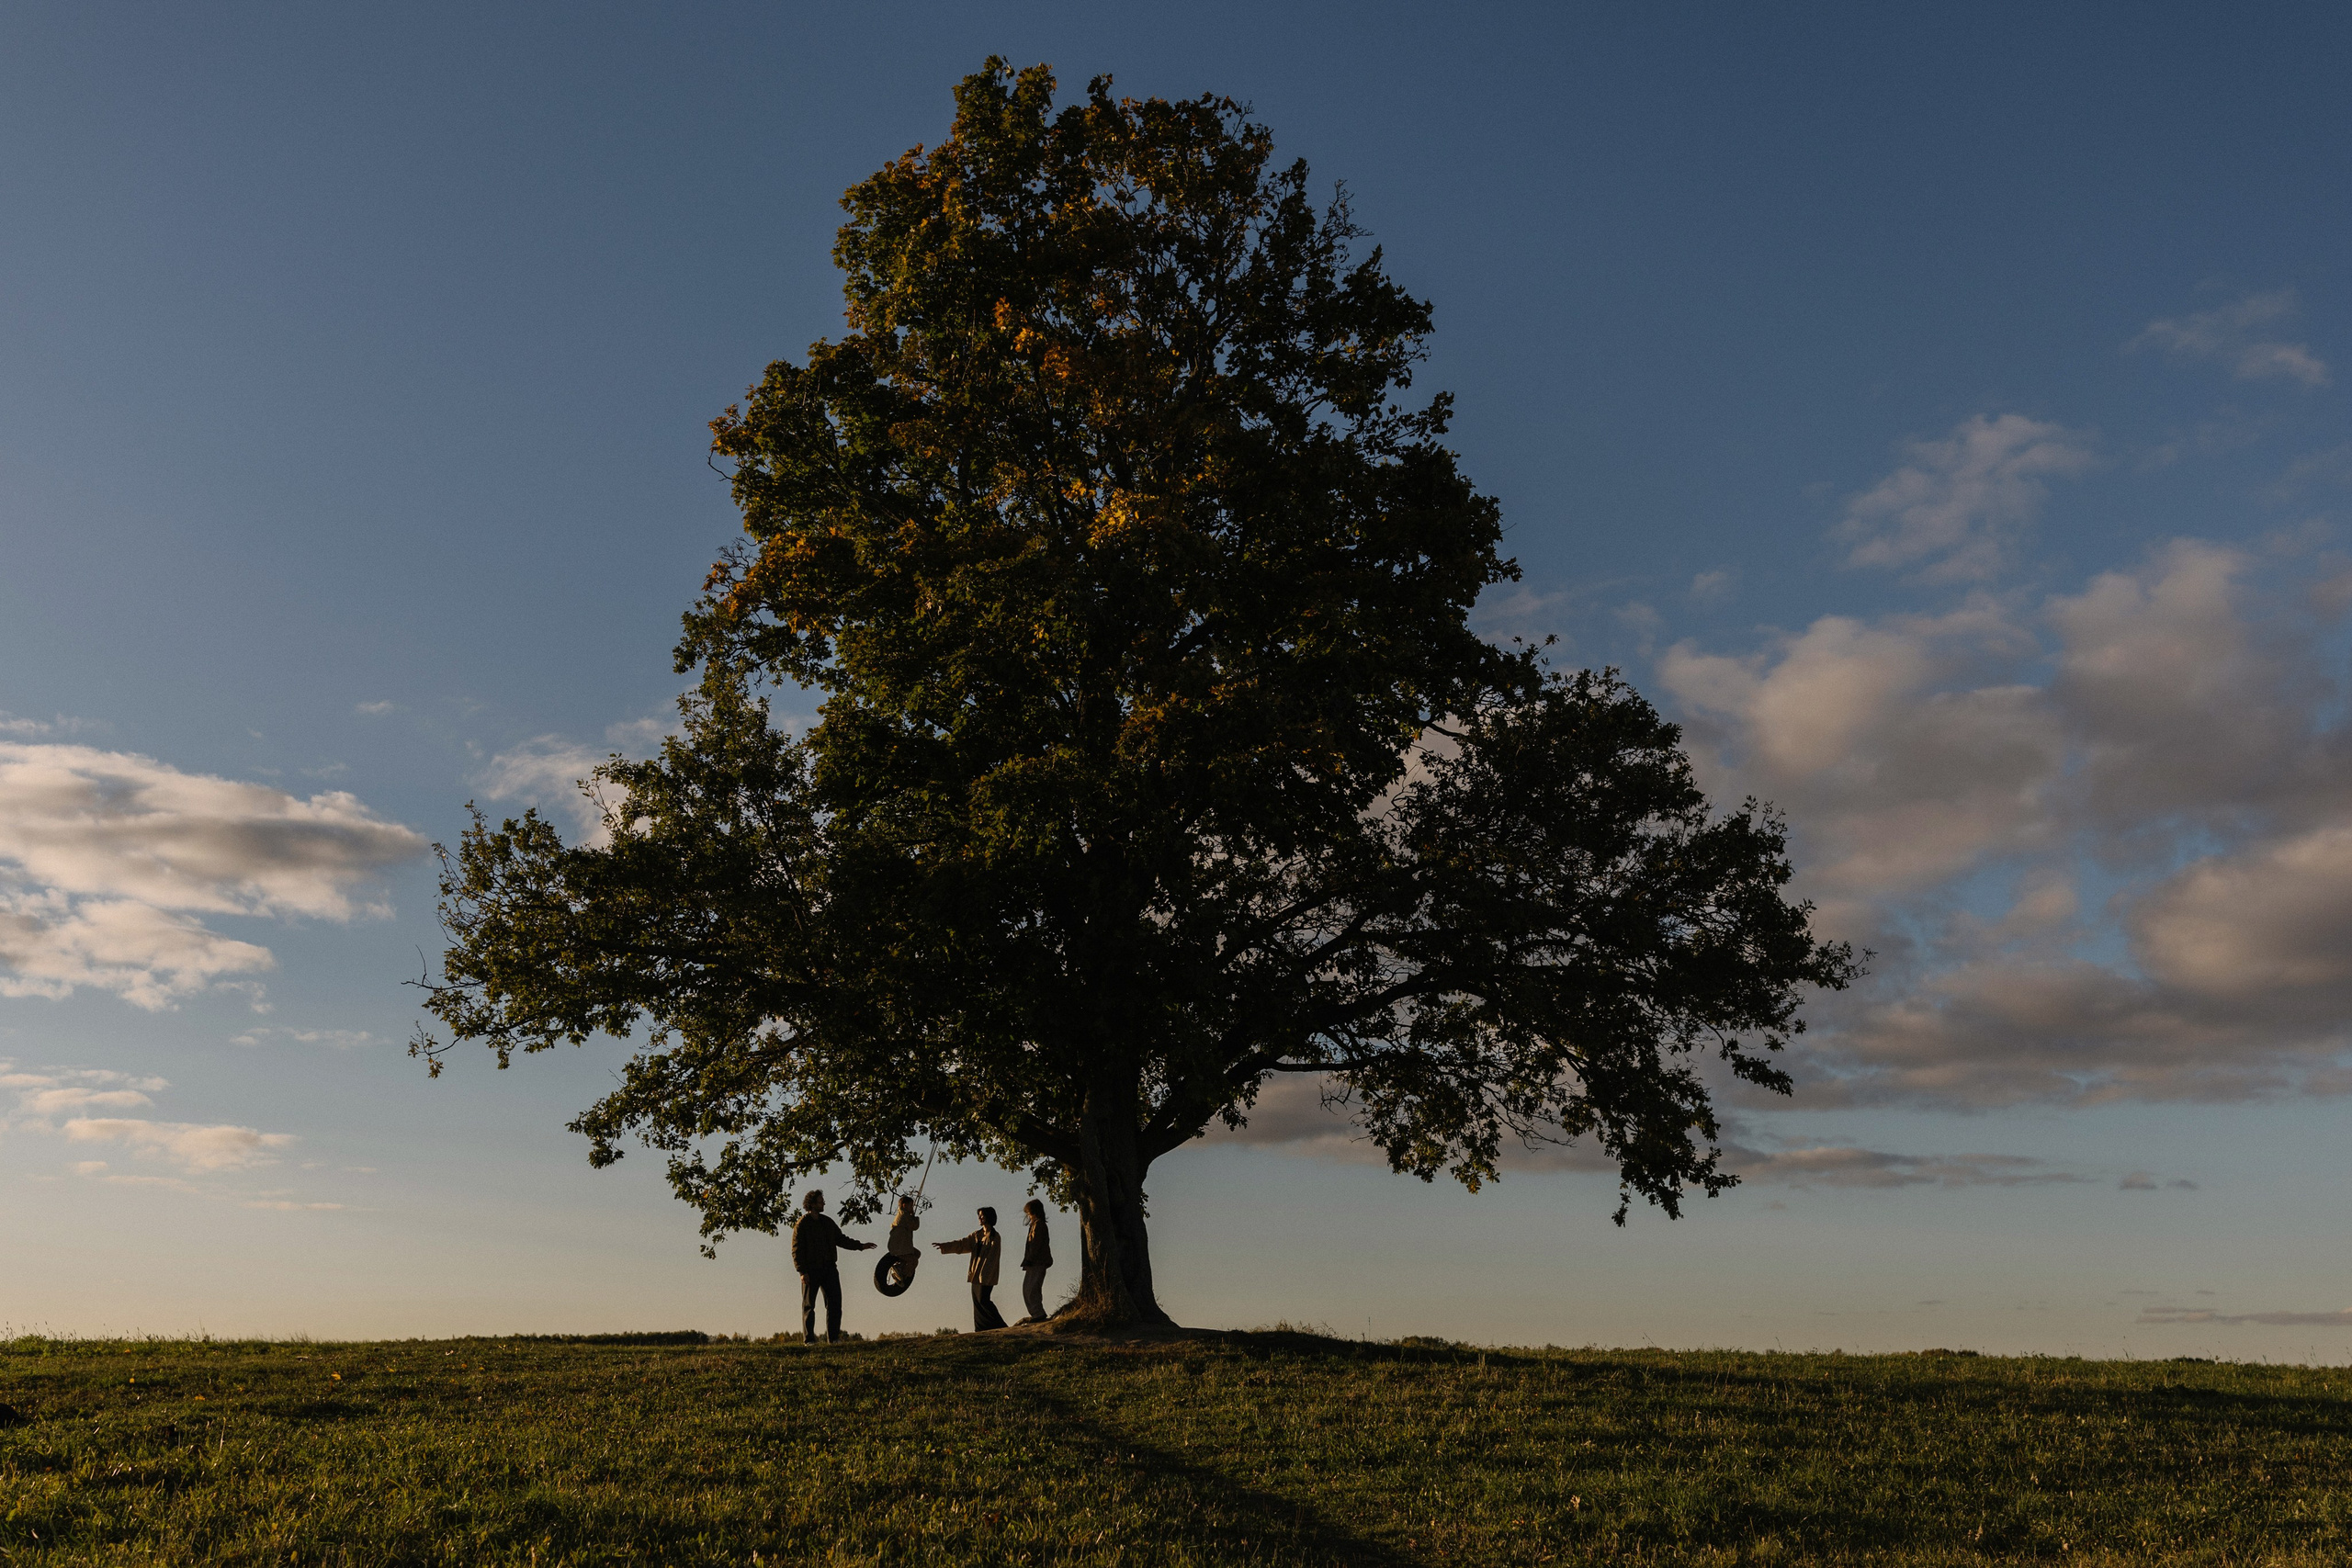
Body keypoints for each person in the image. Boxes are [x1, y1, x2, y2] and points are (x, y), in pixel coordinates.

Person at [789, 1189, 874, 1344]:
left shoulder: (827, 1222)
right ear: (812, 1204)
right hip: (811, 1270)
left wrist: (860, 1246)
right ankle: (809, 1340)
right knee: (809, 1305)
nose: (824, 1204)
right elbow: (796, 1249)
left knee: (835, 1303)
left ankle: (833, 1338)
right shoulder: (802, 1224)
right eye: (821, 1201)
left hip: (829, 1269)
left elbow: (841, 1239)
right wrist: (802, 1271)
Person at [934, 1206, 1006, 1331]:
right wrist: (945, 1246)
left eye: (982, 1215)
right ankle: (981, 1328)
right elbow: (962, 1244)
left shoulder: (995, 1236)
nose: (979, 1218)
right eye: (979, 1215)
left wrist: (986, 1274)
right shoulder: (976, 1235)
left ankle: (1000, 1325)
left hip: (986, 1275)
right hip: (975, 1274)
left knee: (983, 1300)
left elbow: (992, 1259)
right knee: (977, 1302)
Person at [1018, 1199, 1053, 1324]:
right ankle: (1036, 1312)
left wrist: (1029, 1259)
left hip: (1036, 1262)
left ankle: (1038, 1313)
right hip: (1034, 1262)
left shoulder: (1039, 1225)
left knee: (1031, 1289)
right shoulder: (1036, 1225)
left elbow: (1035, 1245)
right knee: (1029, 1288)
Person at [881, 1193, 922, 1291]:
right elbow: (914, 1226)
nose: (912, 1208)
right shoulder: (904, 1216)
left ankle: (900, 1266)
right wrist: (914, 1216)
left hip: (901, 1246)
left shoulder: (903, 1214)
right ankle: (901, 1273)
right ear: (904, 1205)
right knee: (913, 1261)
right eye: (911, 1205)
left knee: (917, 1253)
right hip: (899, 1247)